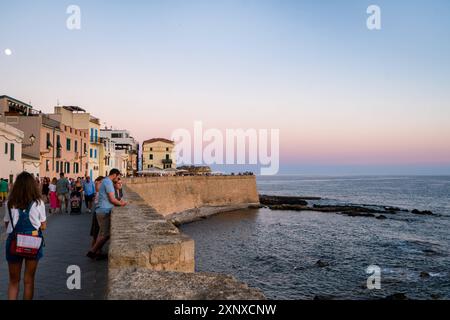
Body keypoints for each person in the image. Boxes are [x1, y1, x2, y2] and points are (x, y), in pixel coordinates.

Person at [3, 172, 47, 300]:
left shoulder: (9, 203)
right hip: (32, 242)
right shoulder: (39, 203)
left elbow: (7, 224)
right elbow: (43, 226)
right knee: (29, 280)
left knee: (13, 281)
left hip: (14, 242)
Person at [87, 169, 126, 260]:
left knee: (102, 234)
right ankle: (92, 252)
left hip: (102, 210)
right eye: (118, 177)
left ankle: (96, 252)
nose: (118, 179)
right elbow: (112, 199)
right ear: (115, 175)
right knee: (105, 234)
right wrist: (121, 204)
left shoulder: (105, 181)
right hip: (104, 211)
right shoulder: (108, 182)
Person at [89, 176, 104, 254]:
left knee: (97, 234)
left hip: (98, 213)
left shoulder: (99, 192)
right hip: (98, 213)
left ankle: (96, 250)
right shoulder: (98, 192)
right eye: (101, 182)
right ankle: (93, 251)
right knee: (96, 234)